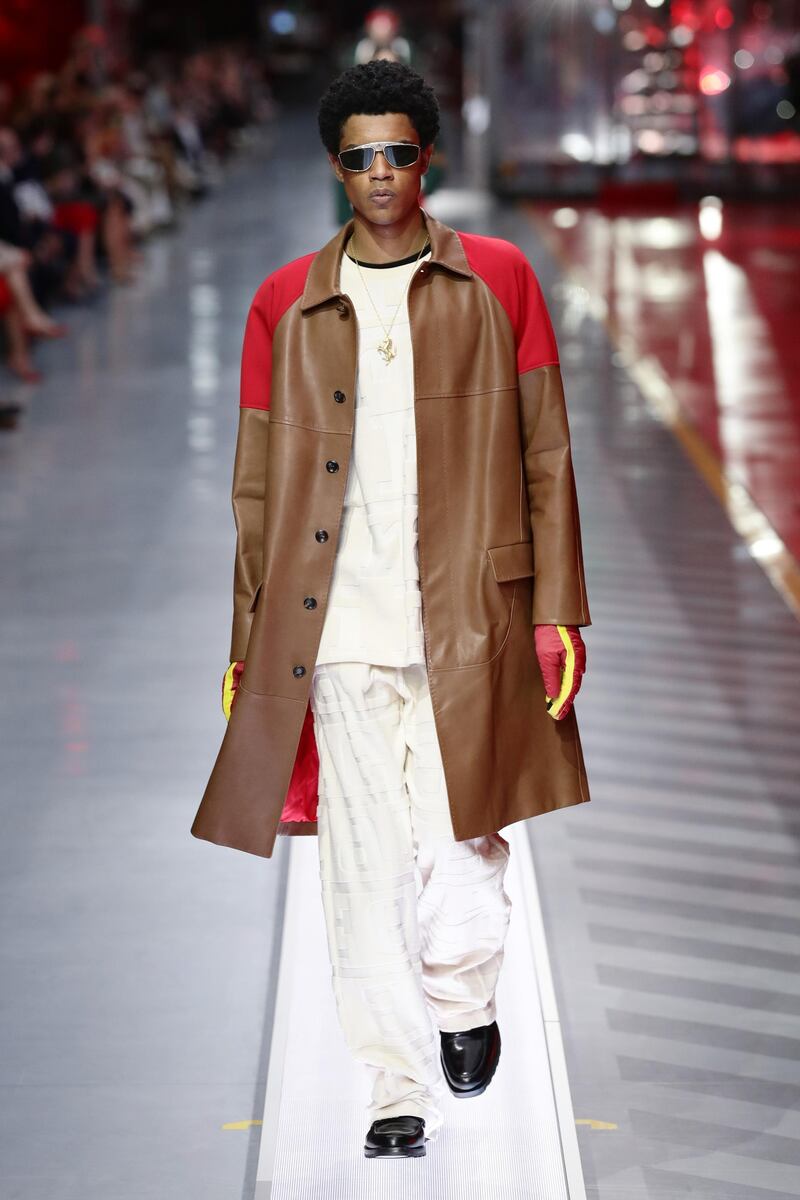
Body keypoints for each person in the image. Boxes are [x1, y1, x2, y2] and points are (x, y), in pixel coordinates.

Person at [191, 59, 591, 1161]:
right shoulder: (283, 300)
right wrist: (246, 639)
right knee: (362, 864)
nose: (379, 174)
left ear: (428, 157)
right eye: (358, 156)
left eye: (397, 153)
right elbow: (257, 492)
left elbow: (545, 453)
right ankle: (391, 1088)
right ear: (334, 166)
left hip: (471, 612)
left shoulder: (501, 278)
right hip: (335, 627)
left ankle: (462, 999)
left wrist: (558, 608)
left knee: (463, 847)